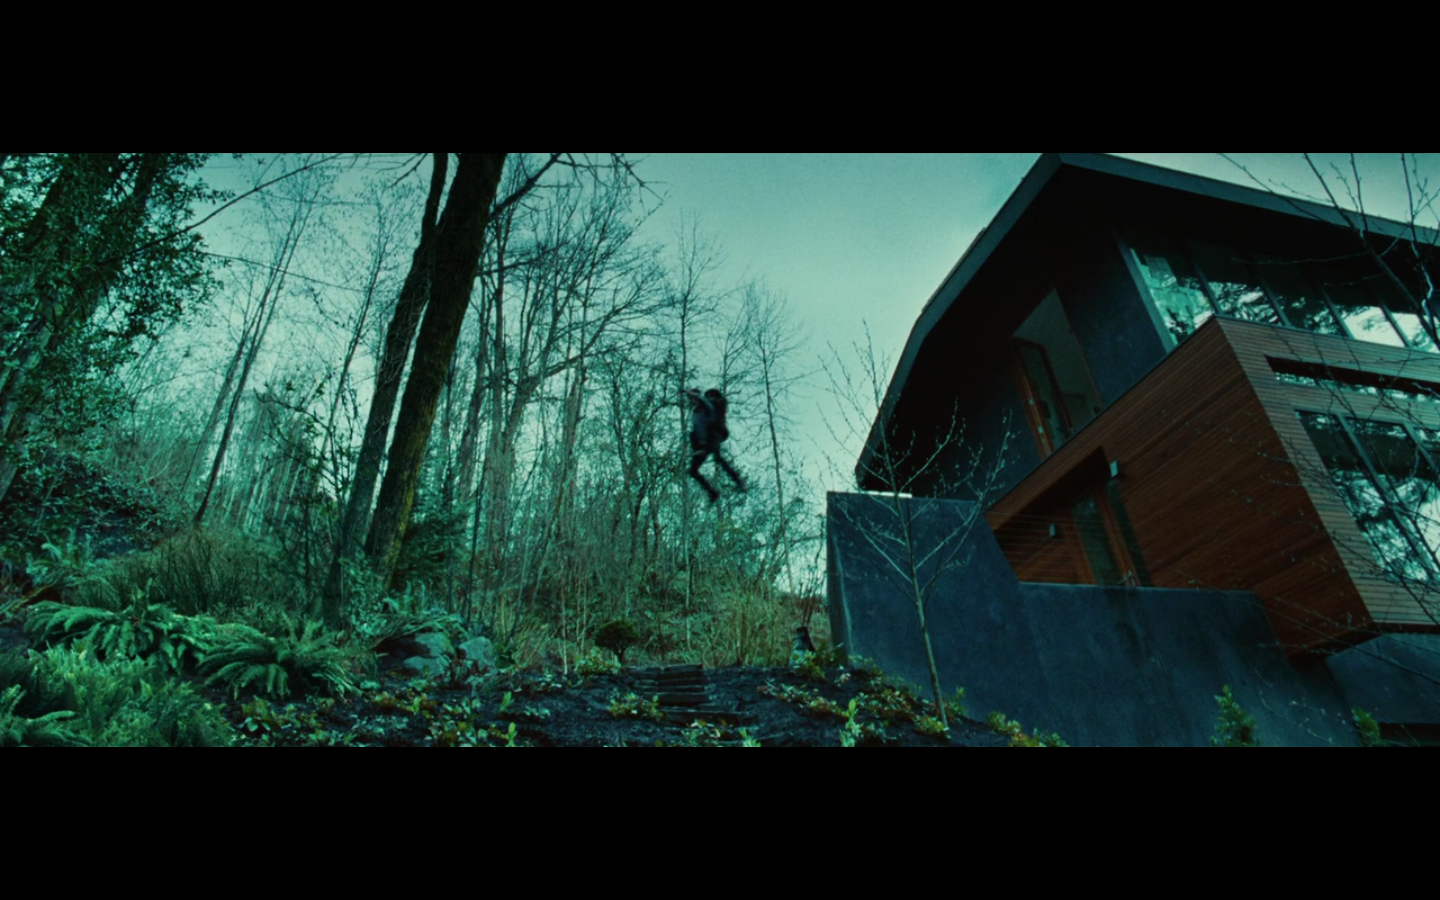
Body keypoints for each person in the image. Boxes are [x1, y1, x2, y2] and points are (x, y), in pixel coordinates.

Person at [681, 387, 745, 503]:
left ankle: (738, 480)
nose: (692, 402)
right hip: (703, 444)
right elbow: (697, 431)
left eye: (693, 399)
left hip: (713, 436)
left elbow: (704, 400)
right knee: (693, 471)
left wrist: (688, 392)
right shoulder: (695, 414)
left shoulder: (708, 406)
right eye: (691, 400)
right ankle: (712, 492)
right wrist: (698, 448)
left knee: (718, 457)